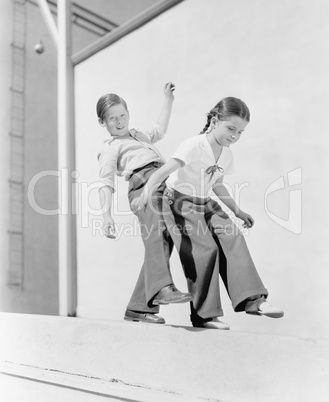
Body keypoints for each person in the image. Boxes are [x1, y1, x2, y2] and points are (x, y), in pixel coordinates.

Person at [132, 96, 284, 329]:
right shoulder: (194, 145)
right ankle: (204, 315)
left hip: (206, 202)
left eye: (240, 132)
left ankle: (254, 299)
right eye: (231, 128)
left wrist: (237, 210)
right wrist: (146, 193)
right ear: (214, 121)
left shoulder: (226, 153)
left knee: (233, 236)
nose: (235, 136)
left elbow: (217, 184)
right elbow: (164, 171)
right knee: (205, 249)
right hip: (180, 203)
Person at [97, 82, 192, 325]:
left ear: (128, 114)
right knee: (157, 235)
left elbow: (159, 129)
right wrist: (106, 216)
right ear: (103, 123)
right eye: (111, 119)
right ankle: (162, 288)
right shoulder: (111, 147)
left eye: (122, 116)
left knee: (163, 242)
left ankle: (138, 308)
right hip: (142, 184)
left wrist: (168, 100)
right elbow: (106, 182)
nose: (119, 122)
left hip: (162, 181)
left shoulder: (139, 135)